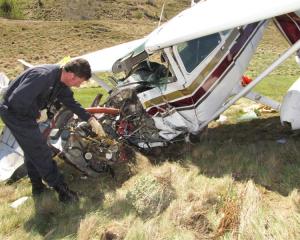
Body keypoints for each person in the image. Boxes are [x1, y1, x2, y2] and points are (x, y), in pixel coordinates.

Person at [0, 58, 105, 203]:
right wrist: (37, 114)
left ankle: (37, 187)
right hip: (15, 114)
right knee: (41, 150)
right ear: (72, 76)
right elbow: (16, 100)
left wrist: (90, 119)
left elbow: (71, 103)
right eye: (79, 82)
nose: (79, 85)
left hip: (25, 114)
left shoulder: (60, 82)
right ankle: (63, 192)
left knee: (32, 150)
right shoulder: (42, 76)